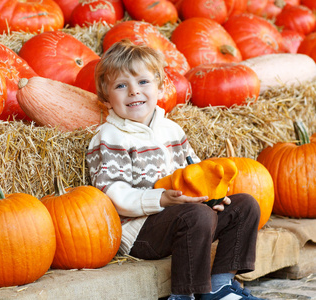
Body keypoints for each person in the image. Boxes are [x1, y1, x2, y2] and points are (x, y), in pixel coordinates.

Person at [86, 39, 263, 300]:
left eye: (143, 82)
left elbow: (195, 172)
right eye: (121, 86)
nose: (134, 92)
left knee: (245, 205)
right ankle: (184, 295)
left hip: (185, 220)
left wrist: (212, 197)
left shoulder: (171, 130)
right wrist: (160, 199)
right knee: (195, 215)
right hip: (139, 232)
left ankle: (220, 286)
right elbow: (113, 193)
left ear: (159, 85)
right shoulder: (110, 136)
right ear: (107, 99)